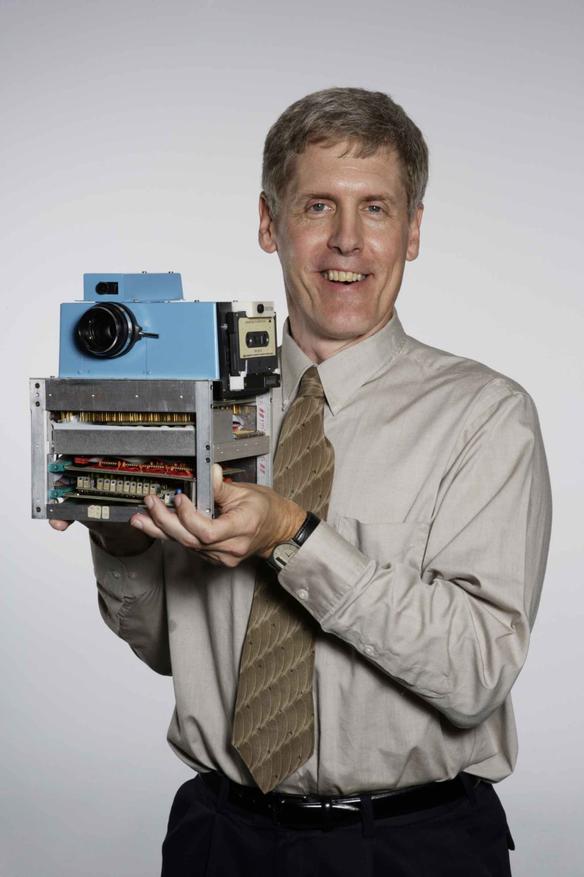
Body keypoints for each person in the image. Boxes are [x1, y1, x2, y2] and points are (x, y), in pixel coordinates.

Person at [51, 87, 552, 876]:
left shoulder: (485, 417)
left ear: (413, 230)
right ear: (268, 222)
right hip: (220, 838)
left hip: (414, 846)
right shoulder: (196, 408)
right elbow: (173, 650)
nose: (347, 240)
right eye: (318, 206)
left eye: (376, 209)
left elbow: (475, 671)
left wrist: (294, 536)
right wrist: (118, 535)